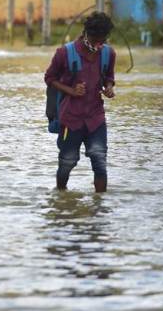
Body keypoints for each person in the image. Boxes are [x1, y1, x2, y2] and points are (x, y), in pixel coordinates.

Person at [44, 12, 116, 193]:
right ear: (86, 34)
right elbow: (49, 78)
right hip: (71, 119)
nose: (99, 45)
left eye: (103, 40)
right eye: (96, 40)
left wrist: (109, 87)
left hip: (96, 118)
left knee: (99, 160)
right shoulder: (64, 53)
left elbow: (109, 76)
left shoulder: (108, 53)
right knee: (67, 162)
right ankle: (61, 198)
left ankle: (100, 207)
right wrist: (71, 91)